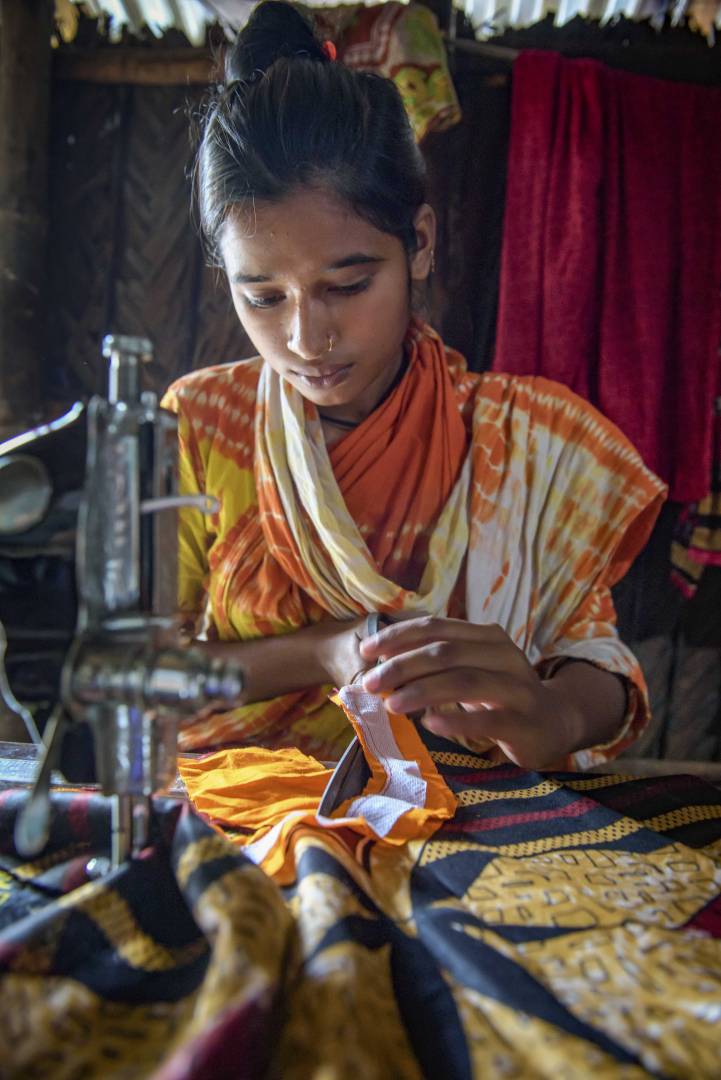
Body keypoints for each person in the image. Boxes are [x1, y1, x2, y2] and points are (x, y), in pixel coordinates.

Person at [163, 0, 666, 770]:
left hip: (471, 826)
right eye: (262, 297)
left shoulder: (525, 438)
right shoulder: (200, 427)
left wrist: (552, 714)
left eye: (348, 284)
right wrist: (325, 652)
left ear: (419, 246)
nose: (305, 339)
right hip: (237, 822)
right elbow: (144, 678)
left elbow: (594, 660)